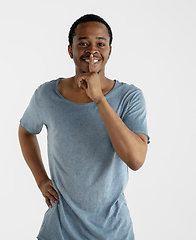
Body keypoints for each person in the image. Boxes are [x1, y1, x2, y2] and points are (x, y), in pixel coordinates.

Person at [18, 14, 150, 240]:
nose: (92, 50)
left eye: (100, 43)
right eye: (83, 43)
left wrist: (99, 99)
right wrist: (41, 180)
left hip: (113, 232)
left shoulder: (130, 97)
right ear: (70, 50)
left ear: (109, 50)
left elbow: (136, 160)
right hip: (58, 231)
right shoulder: (47, 95)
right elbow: (26, 131)